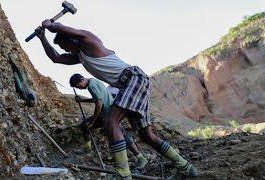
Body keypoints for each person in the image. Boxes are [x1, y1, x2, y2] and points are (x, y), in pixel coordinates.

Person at [37, 21, 198, 179]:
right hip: (130, 83)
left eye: (64, 45)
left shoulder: (89, 41)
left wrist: (52, 25)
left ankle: (123, 173)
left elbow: (71, 30)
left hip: (133, 79)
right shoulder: (80, 56)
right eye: (62, 48)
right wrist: (42, 37)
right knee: (146, 135)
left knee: (110, 121)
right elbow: (56, 58)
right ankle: (186, 168)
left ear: (71, 39)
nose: (64, 49)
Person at [69, 73, 148, 169]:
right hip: (112, 111)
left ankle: (140, 158)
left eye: (79, 86)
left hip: (107, 114)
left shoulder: (91, 86)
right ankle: (139, 157)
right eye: (78, 88)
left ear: (82, 79)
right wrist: (82, 100)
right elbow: (96, 99)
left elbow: (98, 104)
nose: (80, 89)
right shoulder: (94, 81)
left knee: (88, 125)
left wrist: (93, 120)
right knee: (120, 133)